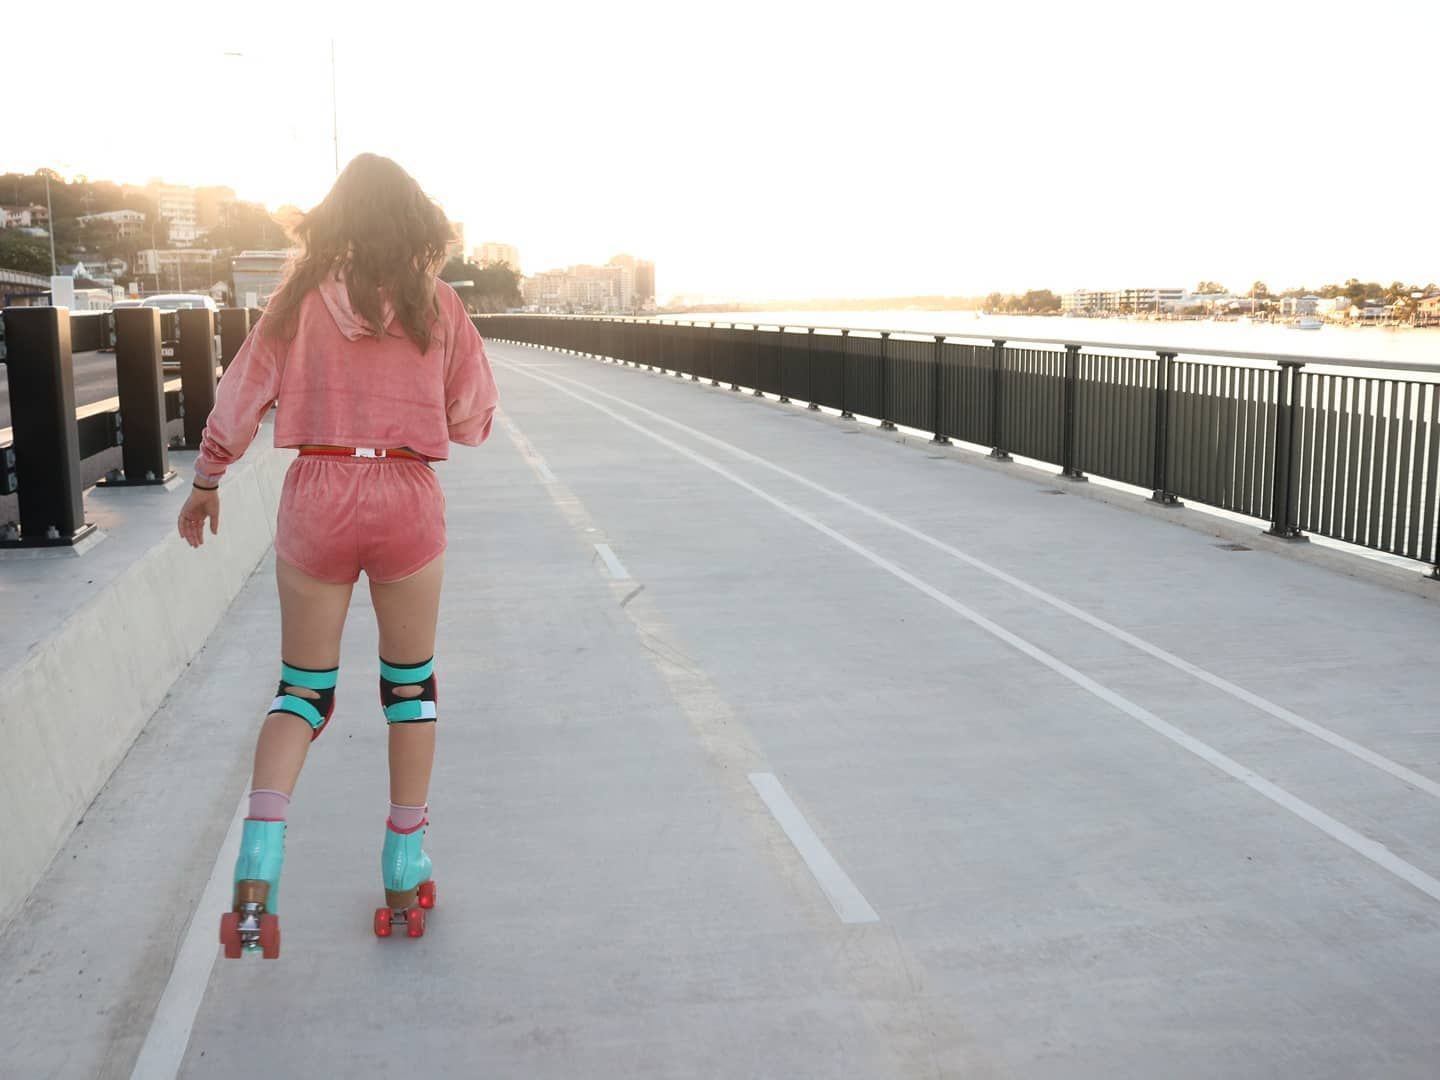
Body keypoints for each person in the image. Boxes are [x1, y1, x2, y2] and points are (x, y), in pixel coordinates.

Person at [175, 154, 499, 956]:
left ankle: (258, 866)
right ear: (417, 224)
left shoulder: (295, 301)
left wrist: (208, 480)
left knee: (303, 693)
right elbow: (473, 419)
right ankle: (404, 866)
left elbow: (239, 398)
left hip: (317, 490)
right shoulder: (439, 304)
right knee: (410, 690)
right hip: (405, 491)